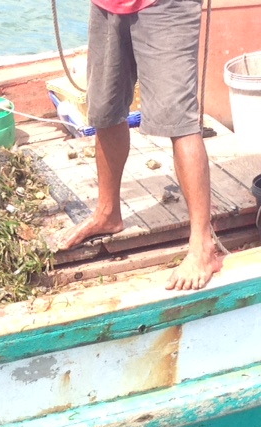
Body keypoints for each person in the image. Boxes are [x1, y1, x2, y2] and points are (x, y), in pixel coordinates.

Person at [52, 0, 220, 291]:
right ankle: (108, 214)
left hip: (165, 6)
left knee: (179, 119)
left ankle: (202, 244)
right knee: (104, 110)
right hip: (107, 5)